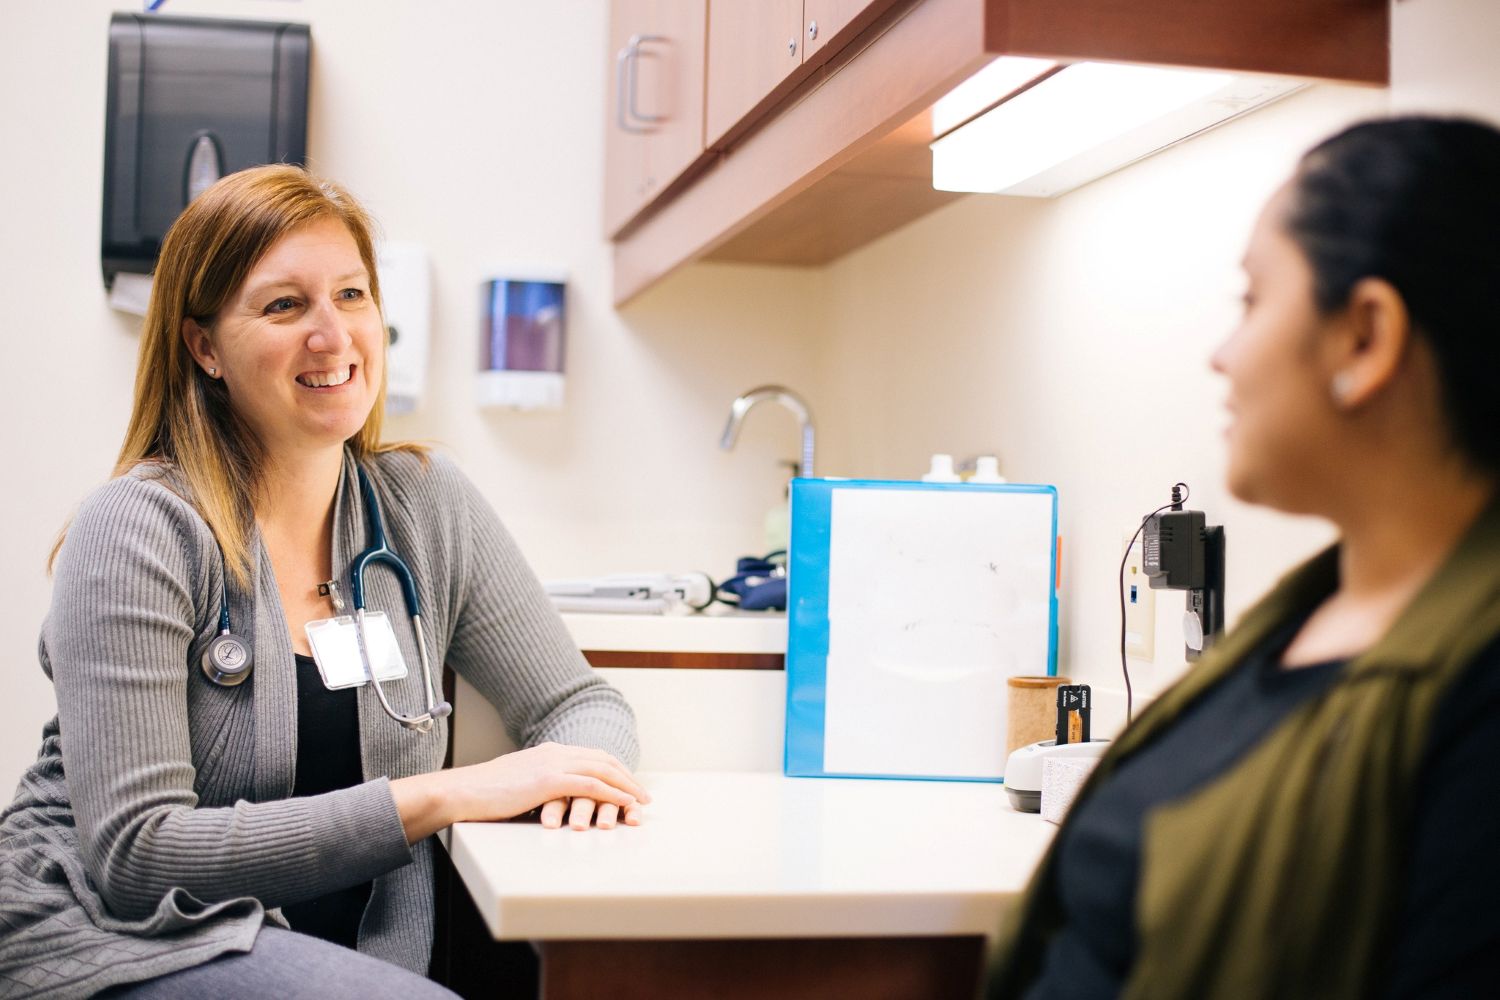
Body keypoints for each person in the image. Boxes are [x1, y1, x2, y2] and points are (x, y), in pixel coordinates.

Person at [0, 165, 647, 999]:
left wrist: (580, 788)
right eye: (284, 306)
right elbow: (139, 857)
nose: (333, 335)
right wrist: (441, 795)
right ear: (204, 347)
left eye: (351, 295)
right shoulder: (138, 528)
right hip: (116, 936)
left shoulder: (424, 507)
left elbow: (579, 704)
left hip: (343, 953)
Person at [989, 115, 1500, 1000]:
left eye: (1253, 300)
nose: (1221, 355)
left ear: (1365, 336)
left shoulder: (1477, 698)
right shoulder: (1299, 622)